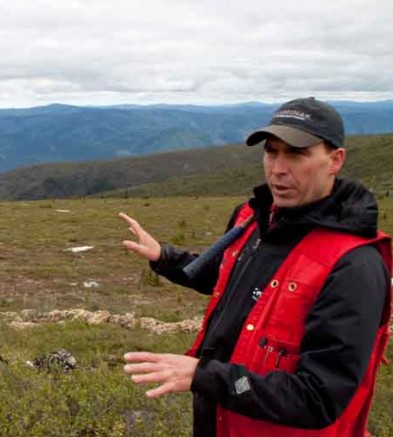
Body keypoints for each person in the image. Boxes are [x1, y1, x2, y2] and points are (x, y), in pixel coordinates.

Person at [119, 97, 392, 437]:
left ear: (335, 160)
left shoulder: (354, 264)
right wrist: (164, 256)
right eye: (271, 152)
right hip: (220, 422)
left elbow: (319, 397)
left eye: (297, 154)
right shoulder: (251, 219)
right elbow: (225, 278)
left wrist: (205, 376)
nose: (278, 168)